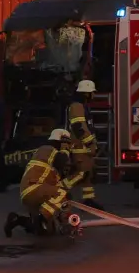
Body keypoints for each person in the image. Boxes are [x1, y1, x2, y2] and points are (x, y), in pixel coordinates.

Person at [6, 128, 76, 237]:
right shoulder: (47, 149)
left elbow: (59, 177)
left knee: (48, 231)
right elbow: (61, 161)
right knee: (64, 193)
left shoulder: (46, 155)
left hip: (34, 192)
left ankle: (17, 220)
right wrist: (66, 149)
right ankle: (41, 218)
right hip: (34, 189)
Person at [67, 79, 103, 209]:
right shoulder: (77, 106)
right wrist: (89, 144)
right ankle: (59, 190)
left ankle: (89, 200)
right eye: (91, 93)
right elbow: (78, 127)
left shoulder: (82, 106)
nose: (93, 95)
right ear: (86, 93)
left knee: (88, 175)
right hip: (79, 147)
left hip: (84, 147)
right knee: (82, 174)